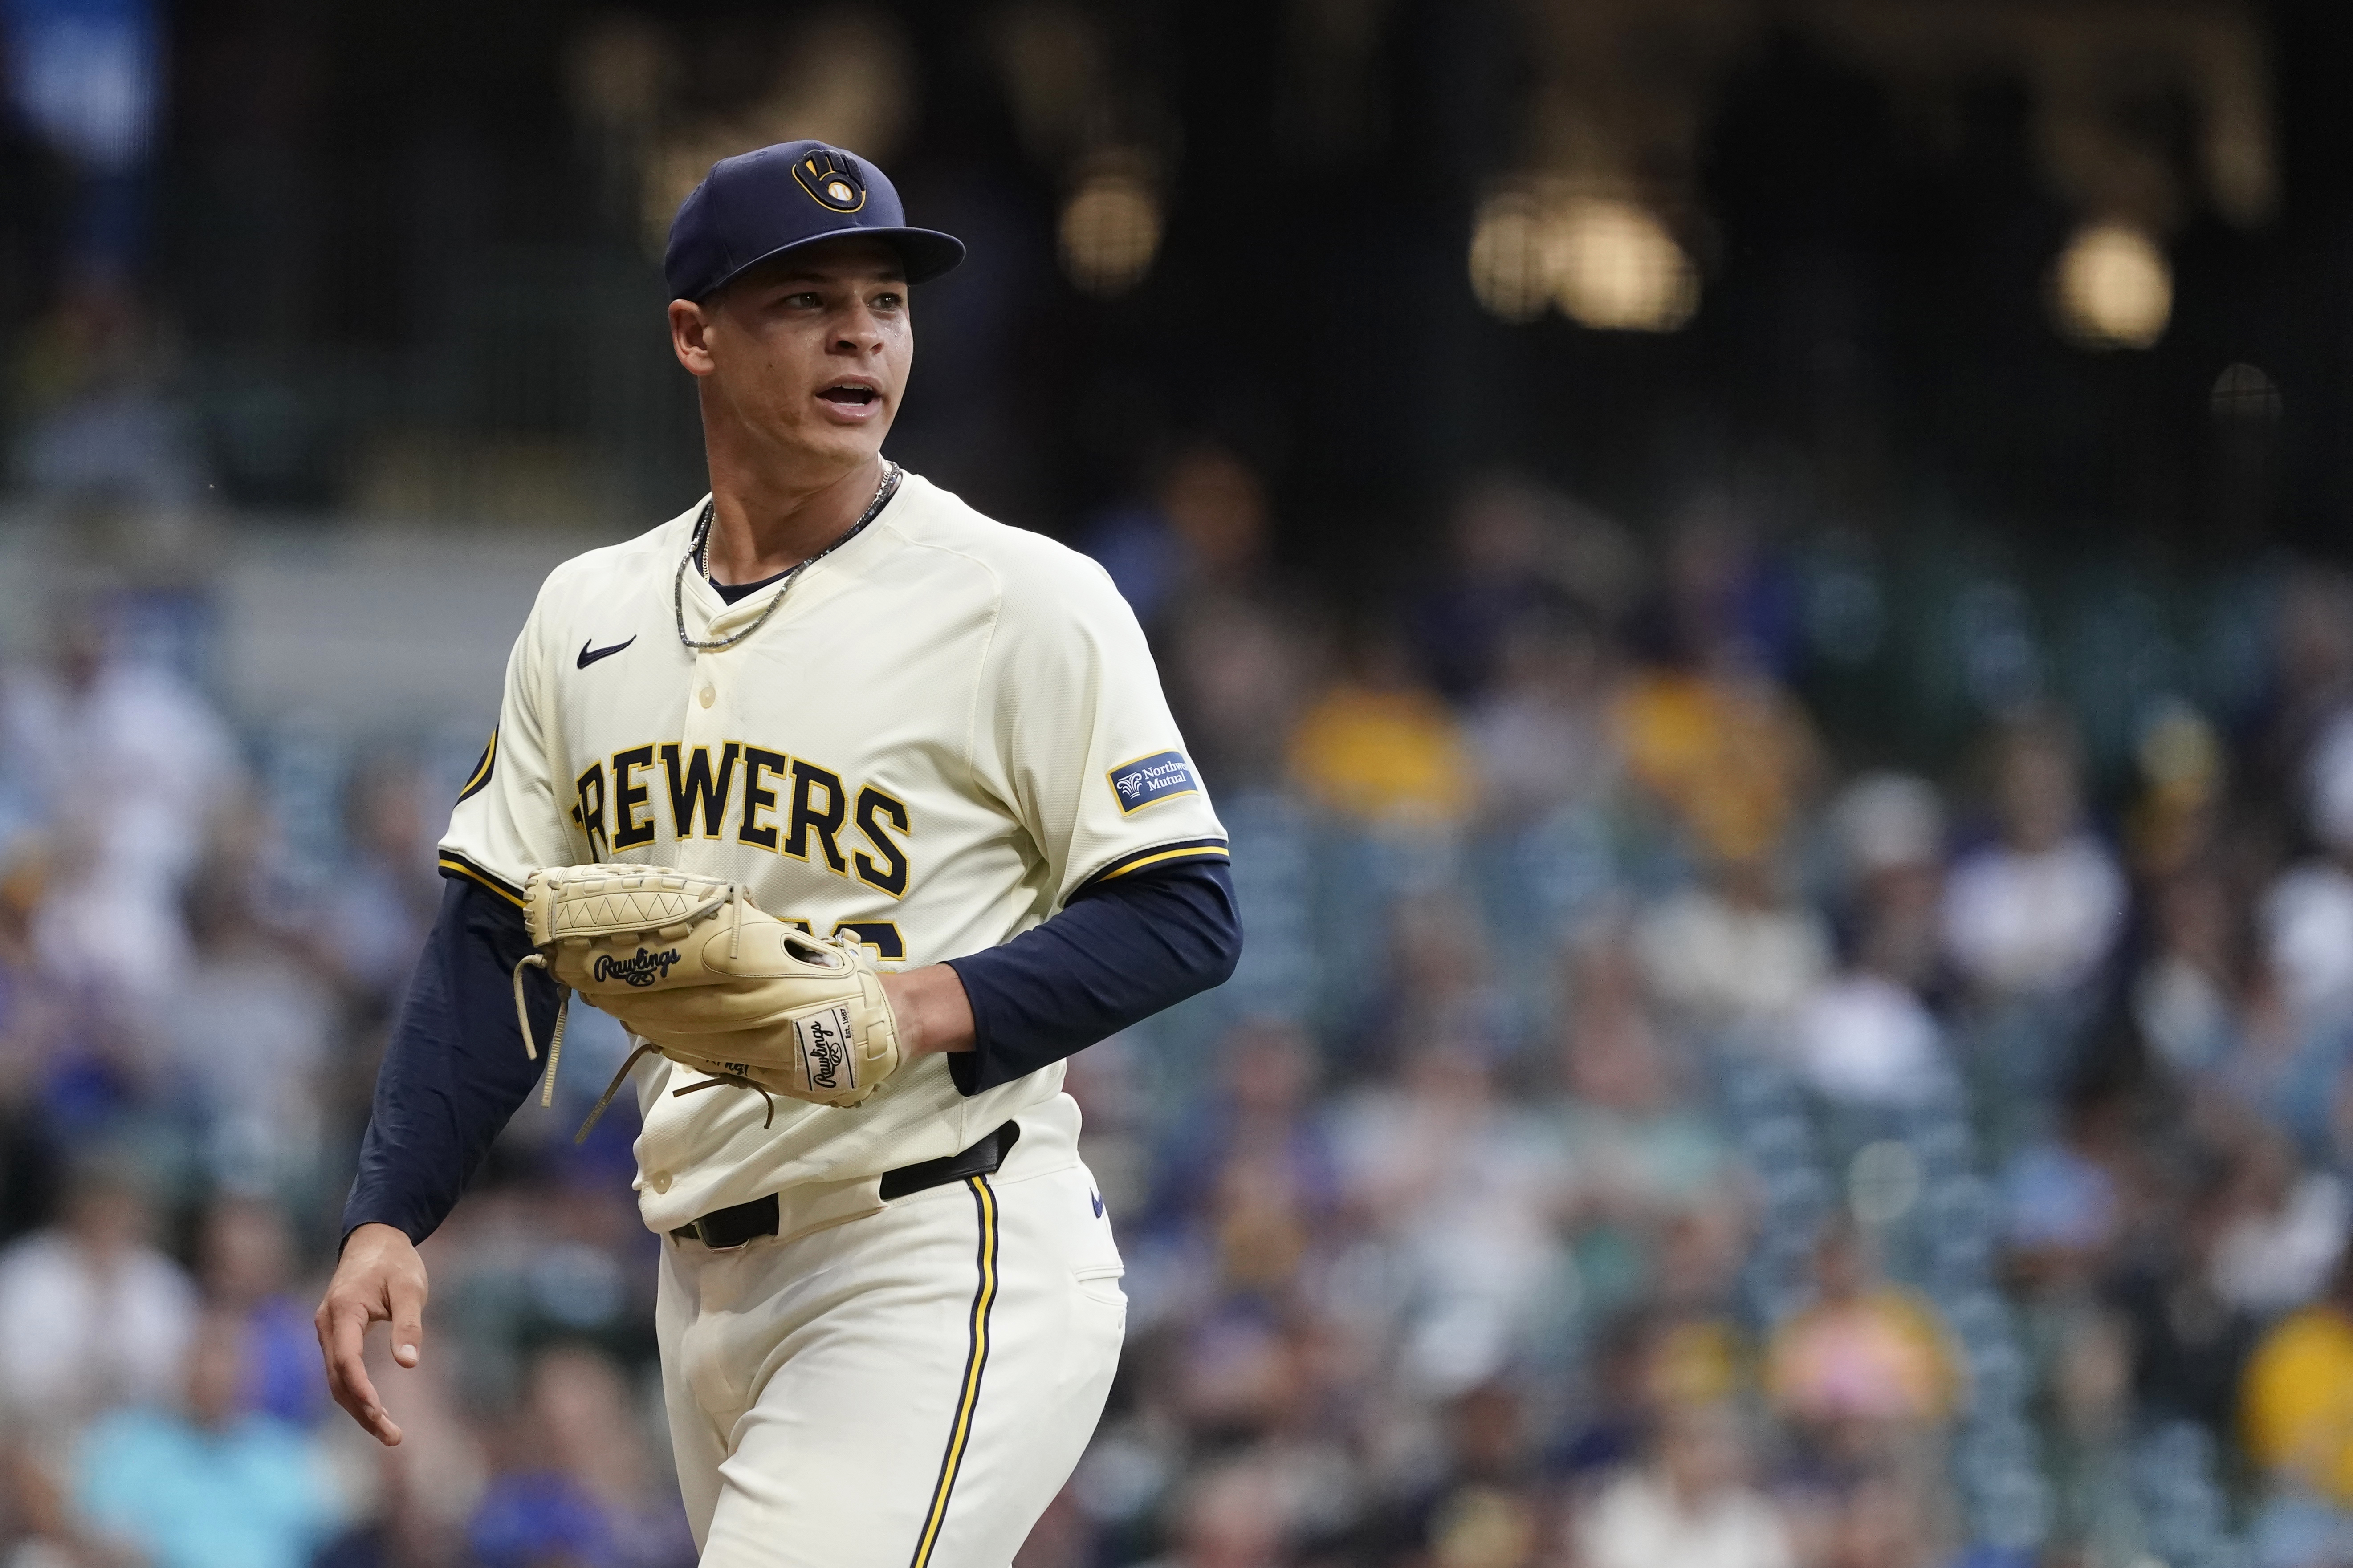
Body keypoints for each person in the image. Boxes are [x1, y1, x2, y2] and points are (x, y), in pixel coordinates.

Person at [314, 141, 1242, 1565]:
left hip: (936, 1242)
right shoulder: (586, 614)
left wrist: (910, 1005)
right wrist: (392, 1212)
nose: (862, 330)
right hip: (703, 1279)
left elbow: (1185, 910)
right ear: (694, 335)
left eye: (887, 299)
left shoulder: (1025, 599)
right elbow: (496, 936)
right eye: (807, 300)